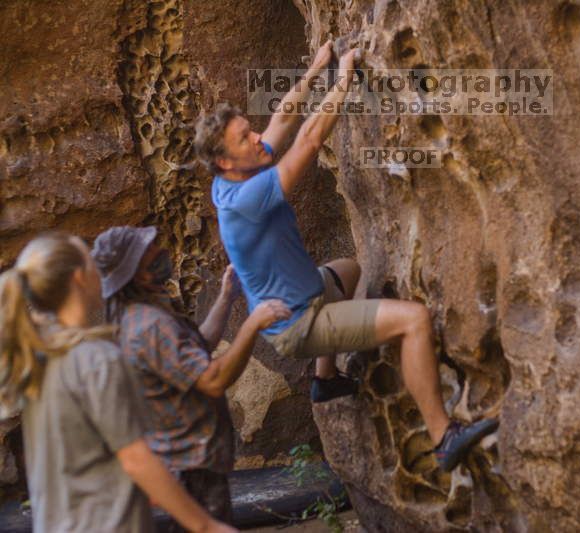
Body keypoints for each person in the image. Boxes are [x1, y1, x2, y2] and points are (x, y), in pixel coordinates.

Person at [193, 42, 498, 472]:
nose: (258, 138)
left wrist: (316, 68)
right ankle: (442, 436)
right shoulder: (246, 199)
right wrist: (342, 82)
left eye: (249, 128)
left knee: (350, 269)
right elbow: (311, 138)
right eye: (245, 137)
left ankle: (326, 379)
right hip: (299, 323)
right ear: (225, 160)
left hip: (310, 292)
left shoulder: (235, 172)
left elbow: (283, 117)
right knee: (415, 321)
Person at [0, 231, 235, 533]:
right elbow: (135, 460)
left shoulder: (35, 357)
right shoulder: (97, 359)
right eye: (91, 262)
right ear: (79, 278)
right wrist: (206, 526)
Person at [91, 226, 289, 530]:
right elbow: (211, 380)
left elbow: (198, 347)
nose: (161, 251)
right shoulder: (150, 326)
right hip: (186, 468)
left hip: (187, 463)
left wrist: (226, 297)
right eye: (150, 252)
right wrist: (252, 326)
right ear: (137, 274)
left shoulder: (144, 312)